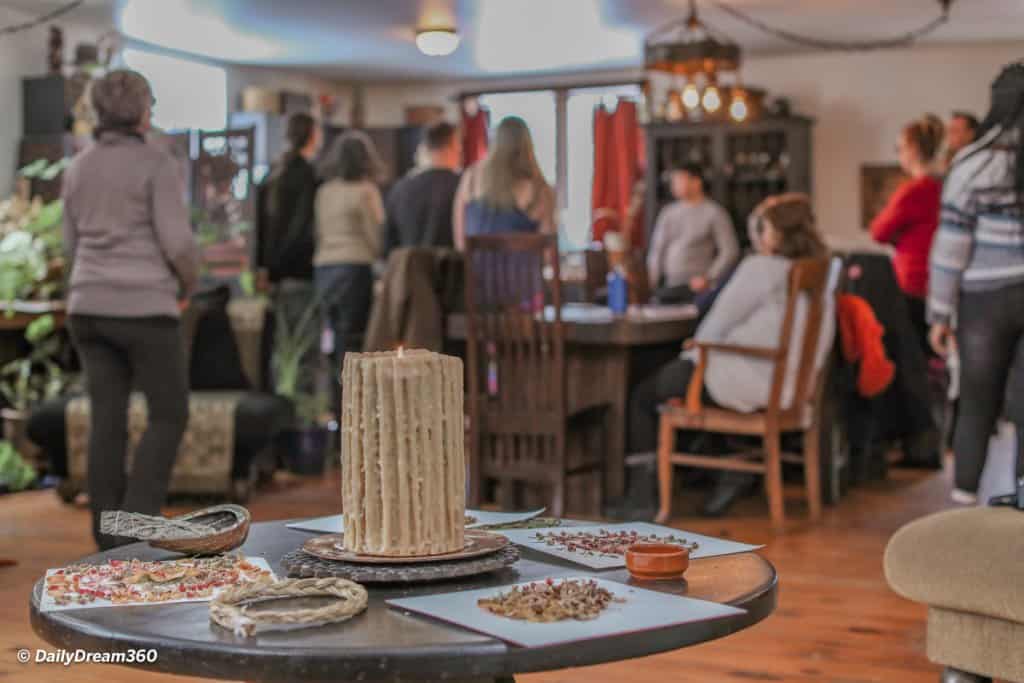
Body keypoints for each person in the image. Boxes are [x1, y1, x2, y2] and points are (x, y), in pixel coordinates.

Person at [620, 194, 829, 520]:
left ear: (775, 234)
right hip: (791, 390)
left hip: (745, 380)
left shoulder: (761, 268)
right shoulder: (820, 274)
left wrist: (696, 346)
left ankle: (643, 498)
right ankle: (730, 470)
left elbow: (712, 329)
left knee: (642, 392)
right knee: (677, 376)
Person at [62, 70, 200, 549]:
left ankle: (107, 536)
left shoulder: (77, 167)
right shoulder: (156, 164)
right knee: (169, 413)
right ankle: (137, 527)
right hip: (145, 308)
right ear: (143, 112)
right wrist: (189, 283)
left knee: (108, 419)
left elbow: (69, 246)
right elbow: (179, 243)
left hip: (88, 309)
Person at [928, 62, 1024, 505]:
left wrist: (939, 313)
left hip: (985, 301)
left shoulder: (972, 164)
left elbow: (952, 249)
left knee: (976, 405)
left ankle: (963, 507)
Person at [314, 130, 385, 393]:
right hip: (354, 269)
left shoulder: (324, 191)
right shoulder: (366, 191)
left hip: (324, 270)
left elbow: (319, 231)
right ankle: (352, 402)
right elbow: (375, 237)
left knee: (331, 339)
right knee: (352, 341)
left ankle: (333, 402)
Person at [869, 114, 944, 354]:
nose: (899, 153)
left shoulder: (914, 191)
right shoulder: (945, 186)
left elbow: (878, 232)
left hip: (912, 282)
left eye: (900, 147)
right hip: (939, 282)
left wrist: (898, 237)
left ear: (913, 149)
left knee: (911, 356)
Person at [452, 116, 555, 248]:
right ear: (528, 146)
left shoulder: (471, 177)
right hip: (524, 268)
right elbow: (546, 251)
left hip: (477, 267)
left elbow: (460, 243)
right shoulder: (539, 189)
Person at [647, 163, 739, 303]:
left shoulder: (714, 212)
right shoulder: (668, 213)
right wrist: (650, 281)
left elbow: (730, 250)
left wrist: (709, 277)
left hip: (698, 288)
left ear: (696, 181)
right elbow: (657, 250)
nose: (674, 185)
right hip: (669, 285)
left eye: (678, 180)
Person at [384, 121, 462, 254]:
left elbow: (387, 243)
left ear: (426, 147)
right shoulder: (462, 186)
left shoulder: (400, 188)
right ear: (453, 145)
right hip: (454, 270)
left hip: (410, 271)